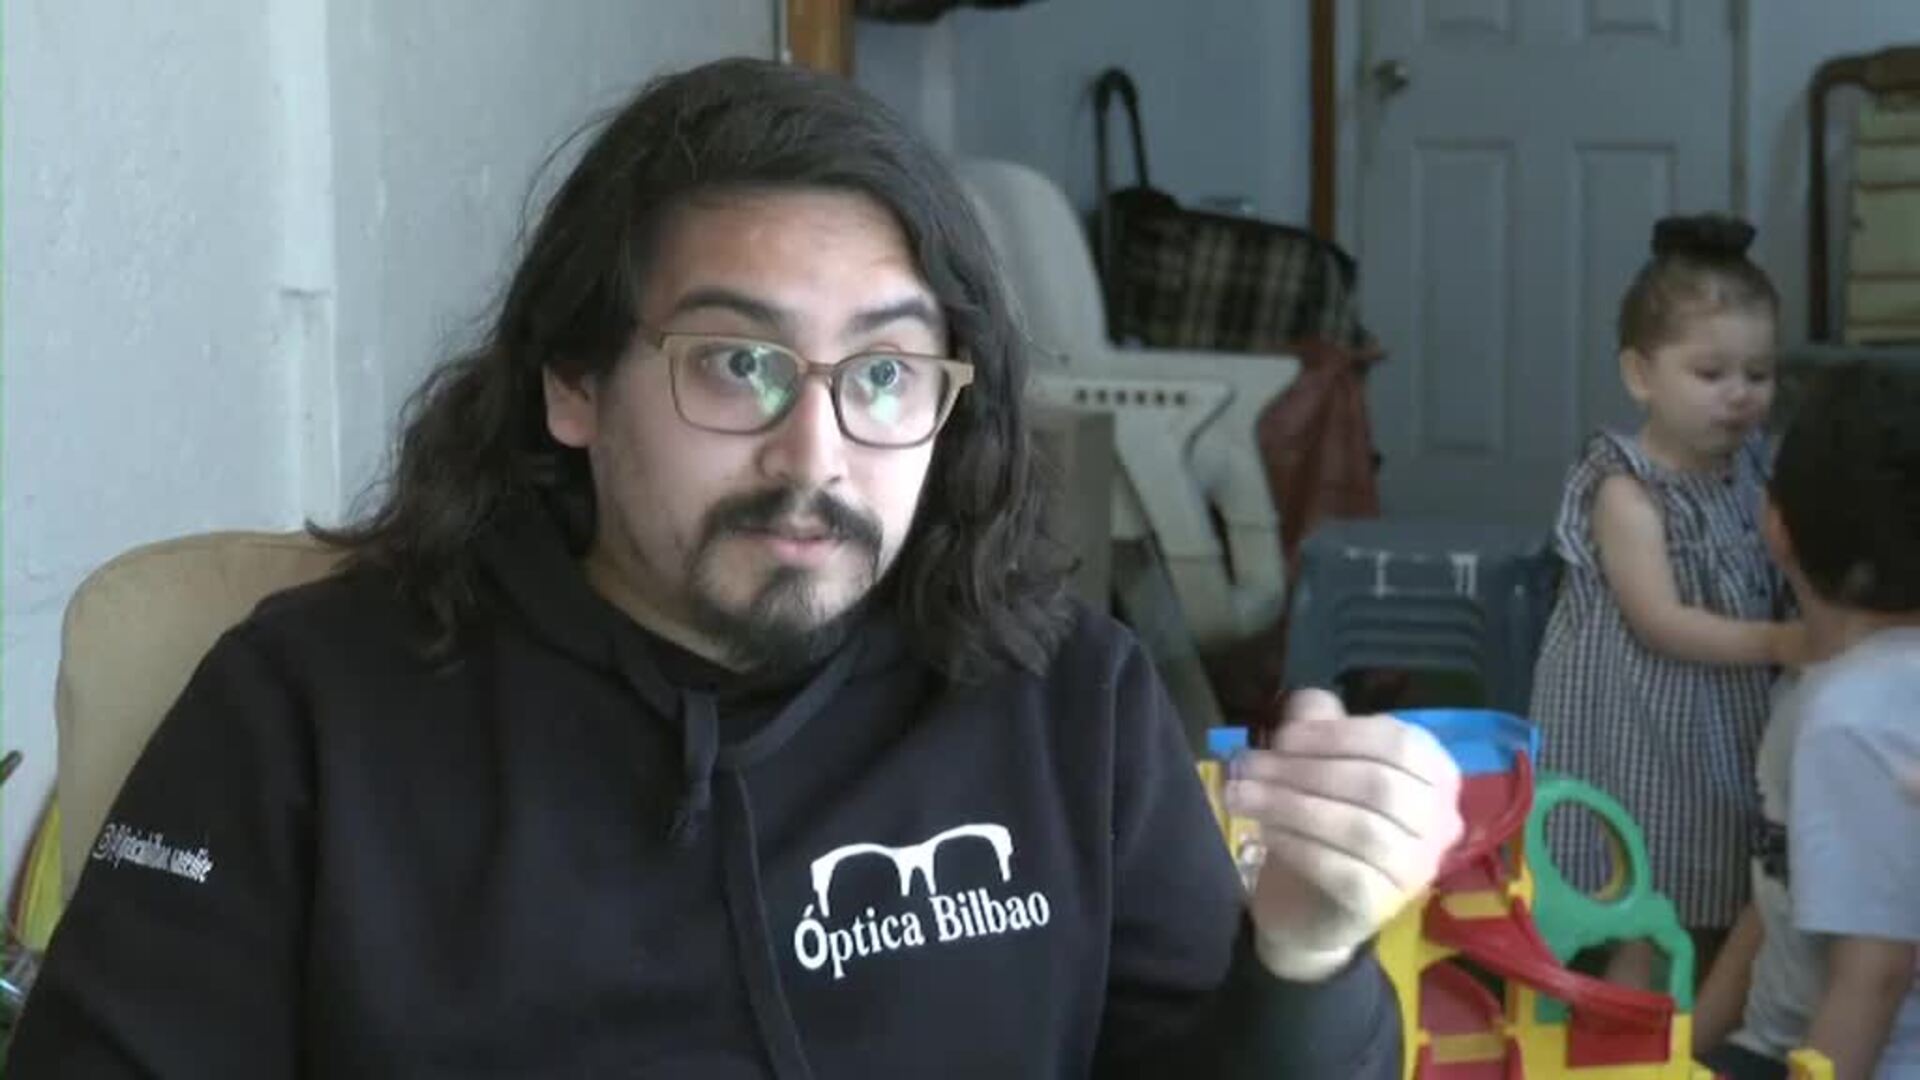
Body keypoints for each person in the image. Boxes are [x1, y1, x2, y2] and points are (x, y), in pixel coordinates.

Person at [7, 58, 1461, 1077]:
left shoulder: (1064, 699)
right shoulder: (308, 706)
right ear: (575, 382)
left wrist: (1303, 960)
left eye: (884, 374)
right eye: (737, 364)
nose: (813, 455)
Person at [1530, 215, 1802, 986]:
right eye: (1711, 374)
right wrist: (1782, 643)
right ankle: (1634, 1028)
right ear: (1641, 375)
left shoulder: (1752, 468)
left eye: (1759, 374)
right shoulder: (1625, 487)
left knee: (1721, 882)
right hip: (1642, 729)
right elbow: (1660, 622)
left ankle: (1702, 1022)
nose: (1740, 395)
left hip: (1726, 723)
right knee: (1652, 895)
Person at [1692, 361, 1920, 1080]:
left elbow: (1874, 976)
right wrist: (1680, 1047)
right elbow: (1779, 885)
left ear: (1776, 525)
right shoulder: (1825, 690)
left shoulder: (1849, 719)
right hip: (1772, 1041)